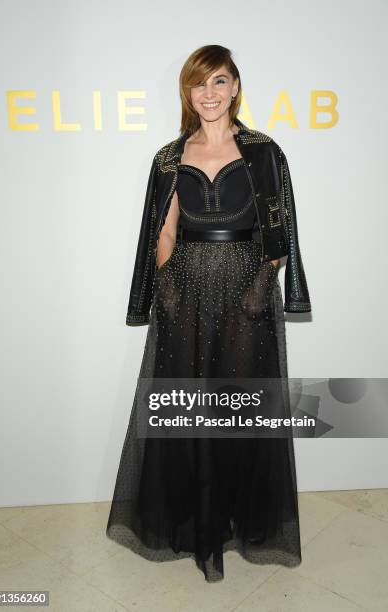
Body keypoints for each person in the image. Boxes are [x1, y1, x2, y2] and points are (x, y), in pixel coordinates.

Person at [106, 44, 312, 582]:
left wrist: (263, 284)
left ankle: (240, 521)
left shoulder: (265, 152)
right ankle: (195, 525)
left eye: (220, 81)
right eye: (200, 84)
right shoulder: (169, 157)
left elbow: (277, 229)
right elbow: (166, 227)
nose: (210, 93)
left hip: (247, 288)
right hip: (188, 290)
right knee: (188, 407)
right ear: (188, 93)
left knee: (237, 410)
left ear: (236, 87)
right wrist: (167, 284)